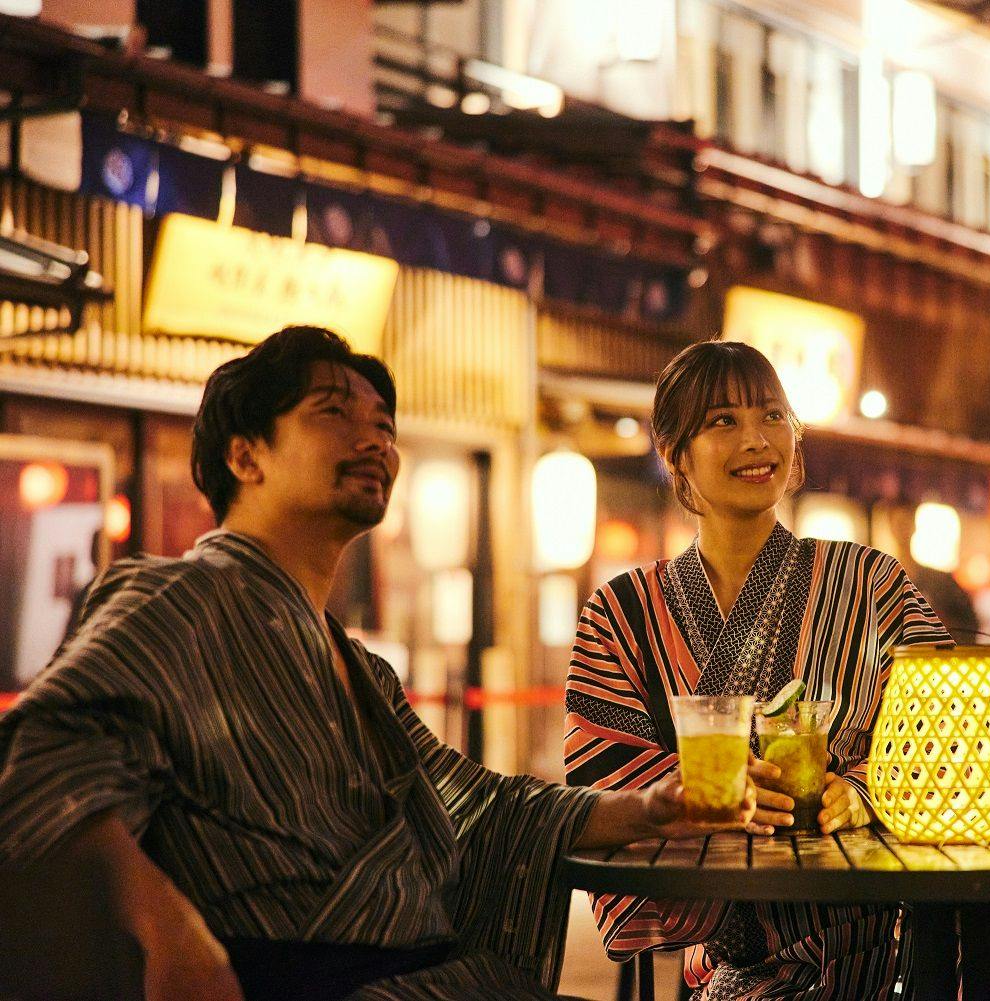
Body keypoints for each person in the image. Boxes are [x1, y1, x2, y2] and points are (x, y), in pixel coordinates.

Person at [0, 326, 752, 1001]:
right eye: (333, 413)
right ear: (244, 454)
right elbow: (40, 761)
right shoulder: (177, 598)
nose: (375, 442)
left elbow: (478, 806)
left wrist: (649, 806)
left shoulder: (357, 665)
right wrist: (170, 933)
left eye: (385, 427)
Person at [564, 340, 950, 1000]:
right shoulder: (621, 611)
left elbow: (950, 724)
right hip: (716, 958)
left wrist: (862, 790)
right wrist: (701, 799)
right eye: (722, 421)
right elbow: (603, 775)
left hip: (872, 949)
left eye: (773, 416)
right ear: (675, 453)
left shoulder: (869, 582)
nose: (757, 440)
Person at [883, 504, 980, 642]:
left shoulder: (939, 581)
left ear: (914, 526)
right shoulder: (883, 580)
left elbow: (970, 623)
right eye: (898, 524)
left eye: (905, 523)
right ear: (891, 528)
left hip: (934, 659)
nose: (902, 530)